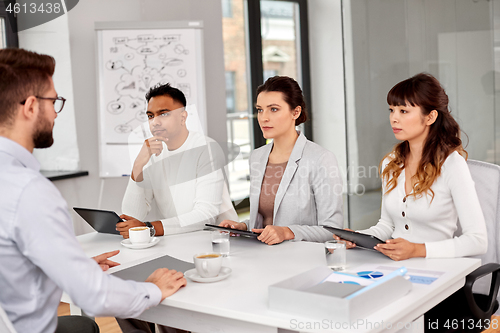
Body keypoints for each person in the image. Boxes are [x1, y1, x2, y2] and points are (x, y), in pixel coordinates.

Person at [0, 48, 187, 333]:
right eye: (54, 101)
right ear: (30, 107)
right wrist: (152, 289)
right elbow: (94, 296)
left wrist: (73, 264)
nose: (56, 113)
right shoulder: (29, 191)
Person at [341, 73, 487, 260]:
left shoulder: (452, 164)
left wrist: (417, 250)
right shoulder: (391, 162)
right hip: (394, 266)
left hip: (438, 271)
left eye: (403, 111)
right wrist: (356, 238)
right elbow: (386, 226)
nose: (393, 118)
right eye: (391, 110)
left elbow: (478, 241)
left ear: (430, 117)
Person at [219, 76, 343, 245]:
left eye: (274, 109)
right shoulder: (257, 157)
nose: (263, 118)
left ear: (296, 112)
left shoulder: (321, 159)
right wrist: (243, 226)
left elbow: (332, 230)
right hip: (263, 256)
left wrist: (287, 231)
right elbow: (267, 221)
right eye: (260, 110)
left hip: (302, 259)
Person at [117, 83, 237, 238]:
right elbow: (132, 215)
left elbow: (206, 215)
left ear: (183, 117)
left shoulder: (206, 148)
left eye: (164, 114)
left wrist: (150, 228)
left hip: (217, 240)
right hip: (176, 239)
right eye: (150, 116)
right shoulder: (152, 153)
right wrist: (138, 165)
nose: (155, 122)